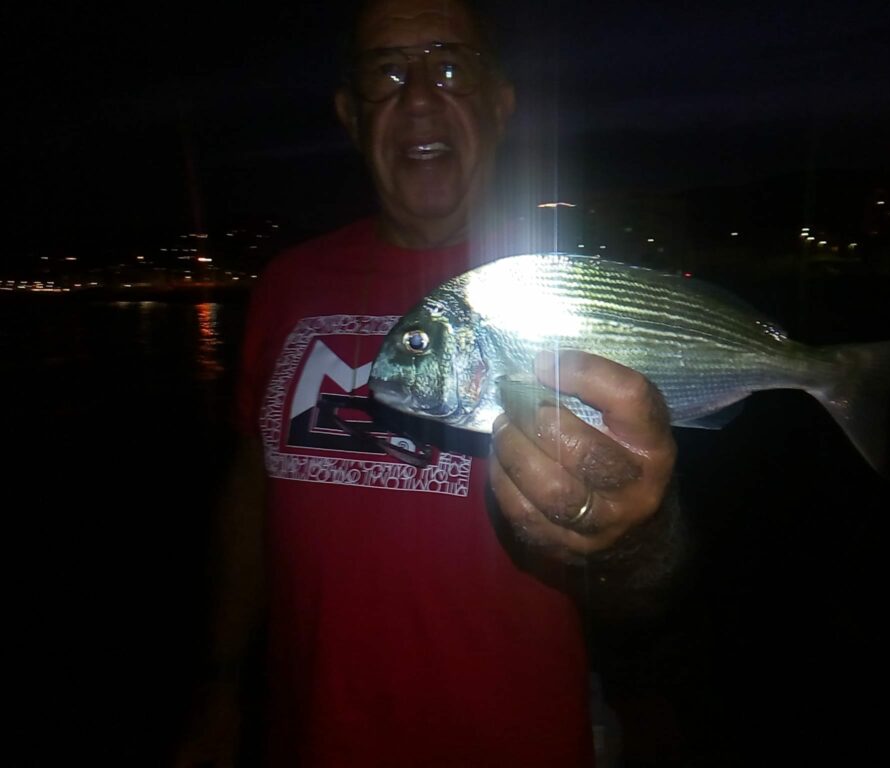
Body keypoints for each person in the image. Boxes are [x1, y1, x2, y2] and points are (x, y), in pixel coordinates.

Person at [175, 1, 681, 765]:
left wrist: (631, 536)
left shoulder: (569, 294)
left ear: (501, 103)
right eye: (386, 72)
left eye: (450, 66)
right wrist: (220, 686)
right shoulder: (288, 283)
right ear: (350, 113)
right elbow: (252, 493)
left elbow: (648, 576)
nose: (418, 96)